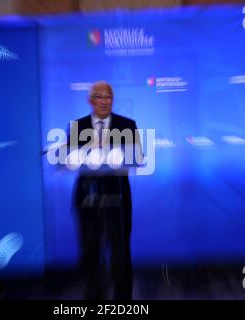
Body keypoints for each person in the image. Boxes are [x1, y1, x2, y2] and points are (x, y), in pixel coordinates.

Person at [69, 81, 141, 300]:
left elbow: (135, 158)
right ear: (91, 101)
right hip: (87, 198)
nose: (104, 101)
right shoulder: (78, 126)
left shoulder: (127, 125)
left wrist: (110, 152)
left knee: (120, 254)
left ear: (112, 100)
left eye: (108, 96)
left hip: (117, 199)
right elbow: (71, 161)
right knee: (90, 253)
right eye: (99, 97)